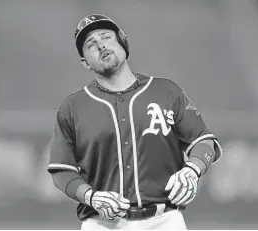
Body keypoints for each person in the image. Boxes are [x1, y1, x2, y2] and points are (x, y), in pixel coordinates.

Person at [48, 14, 222, 230]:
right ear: (85, 62)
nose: (101, 45)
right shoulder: (72, 107)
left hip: (165, 221)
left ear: (123, 41)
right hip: (101, 224)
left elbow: (205, 142)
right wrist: (90, 196)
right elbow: (61, 170)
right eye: (91, 44)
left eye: (106, 37)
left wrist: (192, 170)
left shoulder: (166, 91)